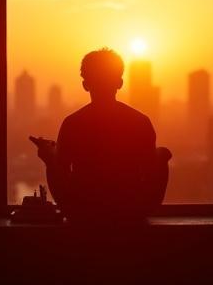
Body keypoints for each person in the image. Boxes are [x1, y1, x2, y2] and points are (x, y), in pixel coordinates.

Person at [30, 48, 171, 223]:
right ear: (119, 82)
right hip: (131, 211)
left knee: (53, 160)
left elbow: (62, 179)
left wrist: (49, 158)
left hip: (84, 212)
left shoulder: (72, 124)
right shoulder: (140, 122)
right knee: (160, 153)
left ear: (85, 84)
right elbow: (150, 176)